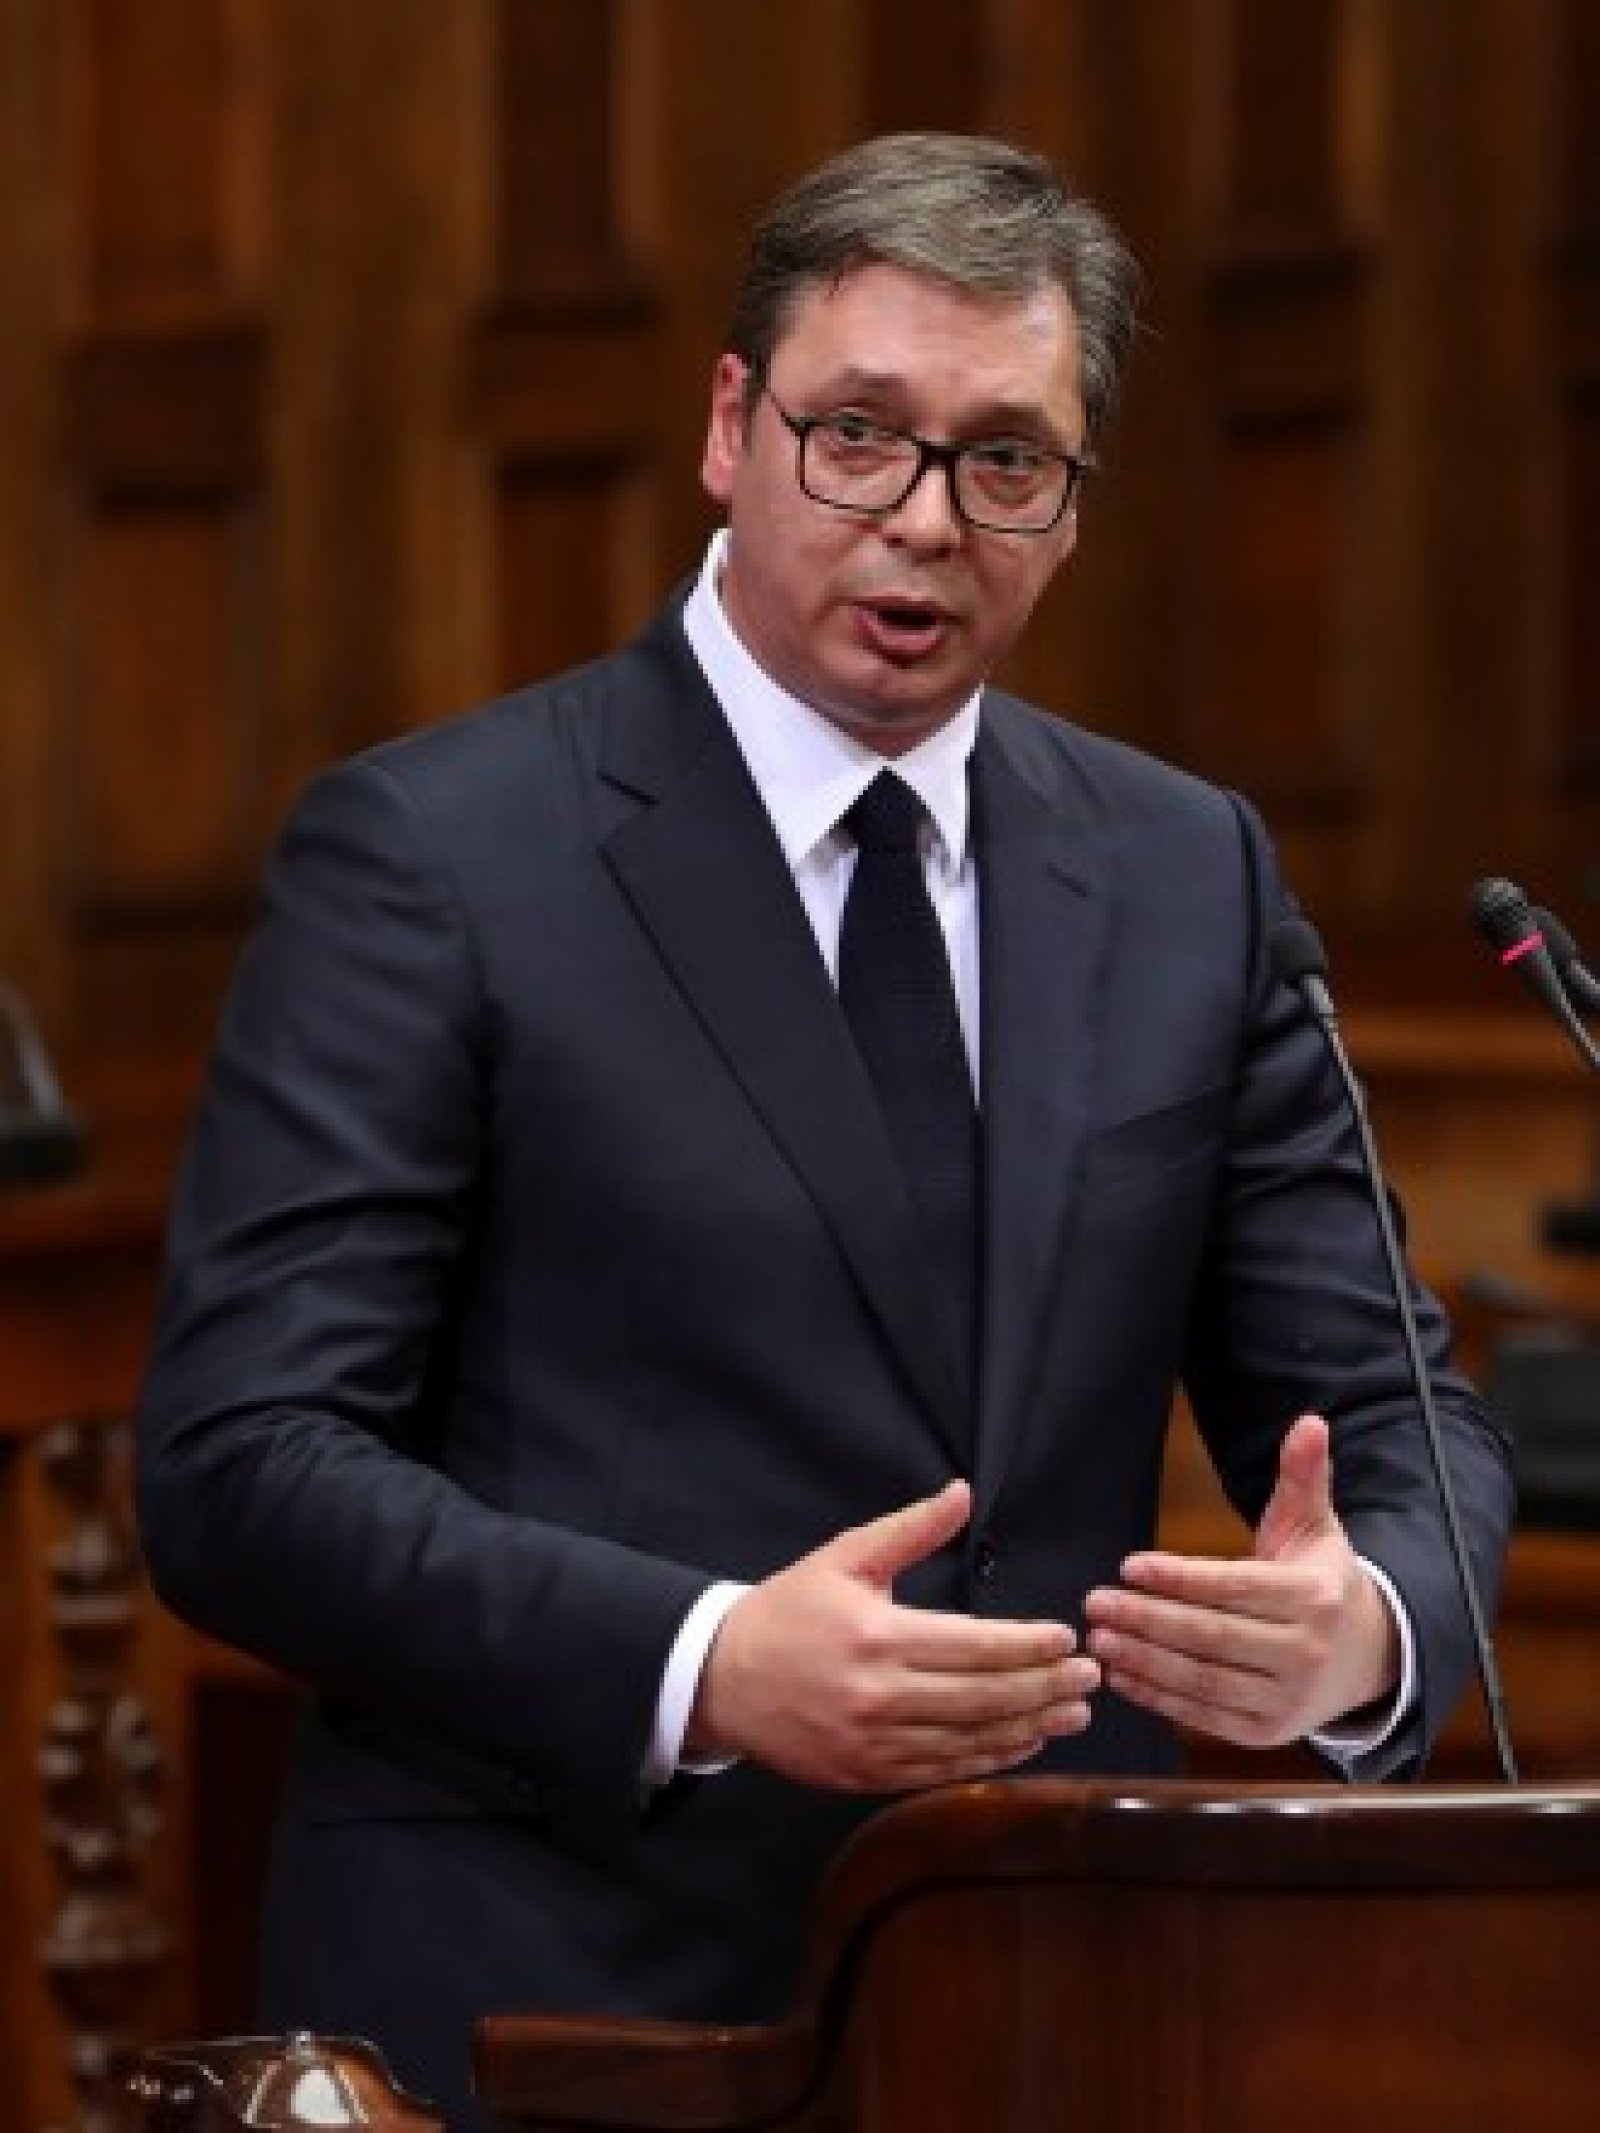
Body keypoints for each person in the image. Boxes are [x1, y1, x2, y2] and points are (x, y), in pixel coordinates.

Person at [135, 132, 1513, 2130]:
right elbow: (239, 1465)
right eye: (856, 435)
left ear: (1070, 503)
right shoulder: (438, 855)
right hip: (555, 2004)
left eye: (1005, 460)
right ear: (730, 426)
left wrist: (1359, 1627)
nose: (925, 520)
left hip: (1047, 2003)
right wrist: (701, 1658)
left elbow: (1397, 1414)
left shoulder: (1183, 872)